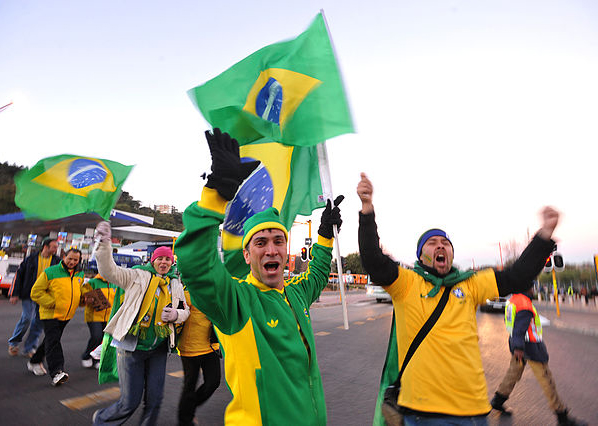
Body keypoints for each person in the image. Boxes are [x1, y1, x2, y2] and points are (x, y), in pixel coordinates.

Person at [357, 172, 560, 425]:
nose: (440, 246)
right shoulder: (406, 283)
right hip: (422, 413)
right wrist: (367, 210)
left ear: (452, 253)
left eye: (445, 243)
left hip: (473, 412)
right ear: (421, 256)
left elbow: (516, 278)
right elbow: (374, 262)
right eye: (432, 243)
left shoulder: (470, 283)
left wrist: (545, 234)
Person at [174, 128, 343, 425]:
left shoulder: (295, 293)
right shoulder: (238, 302)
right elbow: (196, 266)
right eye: (260, 243)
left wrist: (325, 236)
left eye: (278, 241)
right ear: (247, 255)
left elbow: (316, 275)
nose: (271, 250)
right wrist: (216, 195)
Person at [91, 230, 190, 426]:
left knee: (155, 400)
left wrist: (177, 315)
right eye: (160, 258)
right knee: (130, 402)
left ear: (172, 262)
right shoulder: (136, 275)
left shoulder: (174, 284)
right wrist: (103, 243)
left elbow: (185, 311)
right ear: (152, 261)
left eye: (167, 259)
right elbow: (109, 271)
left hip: (158, 350)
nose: (164, 262)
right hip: (131, 348)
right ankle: (102, 420)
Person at [490, 289, 587, 425]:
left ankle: (498, 400)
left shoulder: (513, 299)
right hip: (530, 347)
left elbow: (513, 325)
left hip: (519, 346)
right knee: (546, 380)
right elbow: (519, 327)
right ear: (527, 286)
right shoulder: (524, 304)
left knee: (512, 374)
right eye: (532, 286)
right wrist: (518, 347)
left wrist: (516, 346)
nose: (534, 289)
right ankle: (562, 417)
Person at [28, 248, 84, 386]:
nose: (72, 262)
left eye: (75, 260)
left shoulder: (80, 274)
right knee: (54, 342)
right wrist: (51, 303)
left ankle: (34, 361)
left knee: (51, 340)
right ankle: (57, 372)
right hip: (50, 313)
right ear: (64, 257)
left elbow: (77, 290)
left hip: (66, 315)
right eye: (69, 258)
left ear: (79, 261)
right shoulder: (50, 272)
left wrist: (83, 299)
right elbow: (35, 292)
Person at [8, 238, 60, 357]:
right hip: (29, 294)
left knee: (38, 322)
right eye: (54, 247)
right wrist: (14, 293)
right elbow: (19, 276)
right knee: (27, 318)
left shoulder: (57, 261)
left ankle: (30, 348)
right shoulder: (30, 259)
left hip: (45, 296)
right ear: (45, 247)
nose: (56, 249)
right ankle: (14, 343)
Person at [177, 290, 222, 426]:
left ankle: (187, 408)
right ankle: (185, 420)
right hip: (190, 348)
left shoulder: (216, 293)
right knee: (189, 386)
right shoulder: (187, 293)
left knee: (213, 382)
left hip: (211, 347)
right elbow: (180, 316)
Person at [81, 274, 117, 369]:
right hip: (94, 316)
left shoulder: (116, 283)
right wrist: (87, 298)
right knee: (96, 336)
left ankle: (97, 359)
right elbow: (83, 294)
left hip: (109, 317)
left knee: (104, 339)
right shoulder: (93, 282)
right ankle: (87, 355)